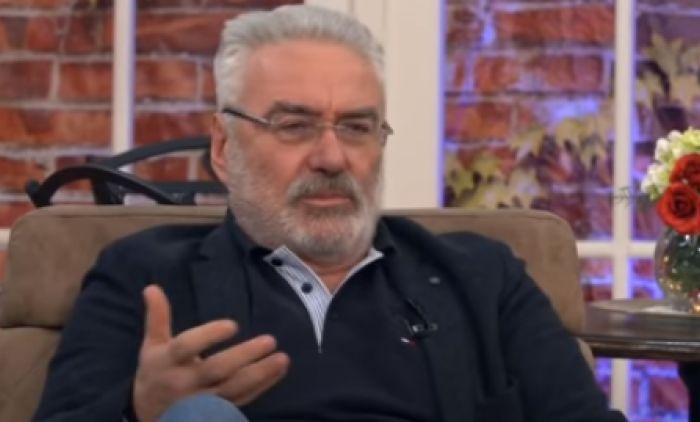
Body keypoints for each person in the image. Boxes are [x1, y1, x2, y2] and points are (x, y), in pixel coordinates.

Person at [33, 4, 627, 422]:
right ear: (223, 147)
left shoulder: (483, 279)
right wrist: (138, 412)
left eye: (357, 127)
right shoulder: (143, 275)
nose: (331, 156)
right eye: (294, 125)